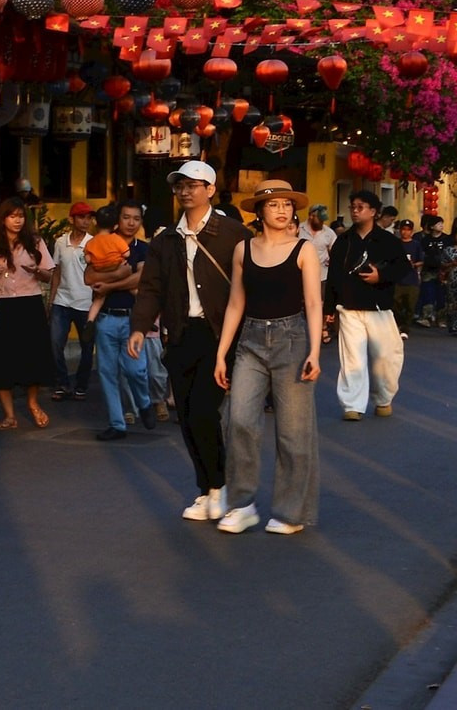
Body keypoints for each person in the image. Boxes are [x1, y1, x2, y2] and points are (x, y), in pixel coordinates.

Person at [129, 160, 250, 522]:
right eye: (179, 185)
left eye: (193, 185)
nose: (185, 191)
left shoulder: (234, 234)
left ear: (210, 190)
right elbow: (151, 287)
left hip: (219, 334)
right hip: (181, 333)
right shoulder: (166, 239)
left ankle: (221, 486)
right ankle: (208, 490)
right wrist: (139, 326)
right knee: (186, 415)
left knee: (202, 410)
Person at [213, 182, 323, 535]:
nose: (281, 210)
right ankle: (242, 505)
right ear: (258, 212)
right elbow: (235, 304)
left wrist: (315, 351)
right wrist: (221, 354)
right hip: (250, 341)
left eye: (287, 205)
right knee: (239, 420)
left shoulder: (304, 249)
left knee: (293, 432)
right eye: (272, 204)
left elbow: (313, 303)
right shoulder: (243, 249)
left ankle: (291, 513)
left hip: (292, 340)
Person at [327, 190, 411, 420]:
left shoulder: (388, 241)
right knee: (352, 359)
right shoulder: (343, 241)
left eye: (360, 207)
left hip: (379, 308)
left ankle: (383, 399)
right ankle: (352, 405)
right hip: (349, 307)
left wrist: (380, 276)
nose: (355, 211)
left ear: (373, 211)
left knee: (386, 357)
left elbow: (403, 269)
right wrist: (329, 309)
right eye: (353, 206)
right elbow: (334, 276)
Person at [0, 198, 55, 430]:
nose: (17, 220)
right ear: (3, 218)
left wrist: (38, 271)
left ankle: (33, 403)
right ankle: (9, 414)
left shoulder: (34, 242)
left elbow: (49, 274)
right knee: (3, 359)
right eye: (12, 216)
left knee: (33, 357)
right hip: (1, 303)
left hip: (29, 303)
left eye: (21, 216)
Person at [90, 202, 153, 440]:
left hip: (132, 320)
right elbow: (89, 276)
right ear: (118, 220)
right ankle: (117, 424)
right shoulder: (102, 243)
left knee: (136, 369)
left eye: (136, 219)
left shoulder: (143, 249)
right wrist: (118, 277)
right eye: (126, 218)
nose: (131, 223)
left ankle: (144, 403)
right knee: (107, 372)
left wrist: (110, 284)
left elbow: (141, 278)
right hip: (105, 318)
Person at [47, 202, 98, 401]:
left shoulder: (94, 243)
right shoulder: (60, 242)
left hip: (86, 302)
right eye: (81, 217)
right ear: (72, 219)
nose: (86, 221)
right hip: (62, 300)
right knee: (55, 344)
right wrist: (50, 301)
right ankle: (62, 383)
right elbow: (57, 272)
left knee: (87, 347)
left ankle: (81, 385)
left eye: (88, 218)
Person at [392, 220, 426, 337]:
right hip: (398, 279)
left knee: (410, 305)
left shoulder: (416, 244)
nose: (405, 232)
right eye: (403, 229)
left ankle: (405, 328)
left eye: (408, 230)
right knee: (396, 303)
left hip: (411, 279)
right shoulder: (396, 243)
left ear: (411, 231)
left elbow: (421, 260)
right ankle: (399, 324)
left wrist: (414, 264)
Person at [418, 214, 450, 326]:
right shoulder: (425, 240)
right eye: (438, 224)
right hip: (428, 270)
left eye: (442, 224)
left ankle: (441, 318)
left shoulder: (447, 239)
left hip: (443, 270)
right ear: (431, 226)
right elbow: (422, 254)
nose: (441, 226)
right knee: (428, 293)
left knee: (441, 295)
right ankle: (426, 317)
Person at [299, 205, 337, 274]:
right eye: (319, 219)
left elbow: (336, 252)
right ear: (311, 216)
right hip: (301, 273)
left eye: (323, 219)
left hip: (322, 276)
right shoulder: (298, 230)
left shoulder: (329, 233)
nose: (322, 222)